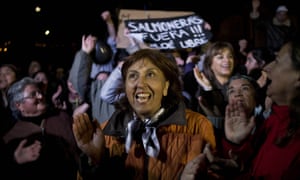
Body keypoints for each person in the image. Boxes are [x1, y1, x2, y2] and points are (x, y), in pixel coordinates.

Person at [72, 48, 216, 179]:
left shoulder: (197, 126)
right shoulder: (105, 134)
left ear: (166, 85)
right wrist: (97, 162)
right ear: (124, 88)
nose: (140, 84)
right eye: (133, 76)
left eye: (150, 75)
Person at [205, 35, 300, 179]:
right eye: (231, 91)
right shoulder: (275, 121)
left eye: (277, 61)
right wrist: (236, 146)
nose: (267, 67)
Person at [2, 77, 81, 180]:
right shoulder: (12, 135)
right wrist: (15, 161)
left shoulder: (61, 117)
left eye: (40, 92)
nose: (40, 96)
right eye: (33, 94)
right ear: (19, 105)